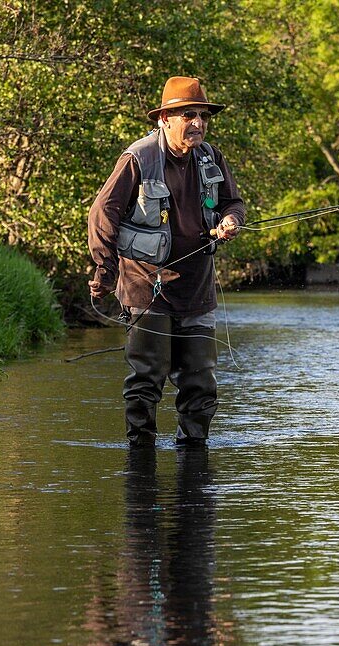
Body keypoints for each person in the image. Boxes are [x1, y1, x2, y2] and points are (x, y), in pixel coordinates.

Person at [89, 76, 246, 446]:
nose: (198, 123)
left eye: (203, 116)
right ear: (165, 119)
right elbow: (102, 213)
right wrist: (105, 269)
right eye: (189, 115)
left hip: (197, 289)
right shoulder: (138, 158)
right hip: (146, 288)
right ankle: (140, 454)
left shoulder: (212, 157)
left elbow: (233, 203)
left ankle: (193, 456)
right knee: (147, 378)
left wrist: (231, 221)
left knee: (200, 381)